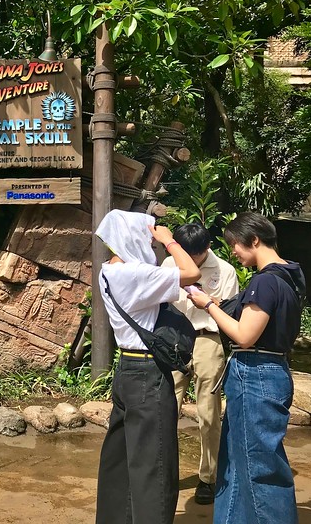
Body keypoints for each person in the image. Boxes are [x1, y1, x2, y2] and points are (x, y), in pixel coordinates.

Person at [188, 212, 305, 524]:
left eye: (236, 245)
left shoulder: (264, 281)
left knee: (258, 469)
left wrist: (208, 305)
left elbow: (244, 335)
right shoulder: (290, 275)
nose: (234, 252)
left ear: (254, 240)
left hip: (256, 374)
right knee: (237, 464)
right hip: (270, 370)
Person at [95, 210, 201, 524]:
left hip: (126, 370)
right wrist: (169, 241)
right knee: (154, 466)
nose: (151, 244)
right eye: (146, 238)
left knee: (121, 461)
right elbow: (191, 271)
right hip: (148, 375)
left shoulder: (107, 271)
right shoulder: (136, 275)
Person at [161, 223, 239, 505]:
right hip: (174, 338)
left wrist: (210, 303)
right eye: (185, 253)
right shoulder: (170, 262)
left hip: (208, 338)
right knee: (167, 406)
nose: (191, 261)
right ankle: (164, 474)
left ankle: (208, 477)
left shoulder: (225, 271)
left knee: (209, 412)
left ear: (206, 248)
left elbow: (229, 311)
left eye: (196, 255)